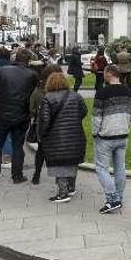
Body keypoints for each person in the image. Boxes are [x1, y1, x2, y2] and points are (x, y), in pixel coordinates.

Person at [0, 48, 38, 184]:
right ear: (28, 61)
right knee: (17, 146)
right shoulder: (32, 75)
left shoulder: (1, 71)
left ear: (15, 58)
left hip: (1, 115)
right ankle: (17, 175)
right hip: (21, 116)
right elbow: (34, 97)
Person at [92, 65, 131, 214]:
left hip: (105, 137)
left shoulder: (102, 93)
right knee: (120, 167)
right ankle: (119, 197)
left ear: (110, 74)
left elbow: (96, 117)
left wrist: (95, 133)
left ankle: (113, 199)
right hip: (123, 136)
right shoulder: (129, 93)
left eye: (105, 72)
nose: (103, 74)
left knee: (101, 168)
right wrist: (125, 126)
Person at [37, 72, 87, 202]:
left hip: (55, 138)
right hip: (75, 135)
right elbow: (83, 111)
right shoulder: (76, 96)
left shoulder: (47, 98)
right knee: (71, 161)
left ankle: (62, 193)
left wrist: (41, 134)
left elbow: (45, 120)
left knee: (58, 164)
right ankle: (71, 187)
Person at [29, 64, 65, 184]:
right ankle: (58, 178)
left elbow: (32, 108)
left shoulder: (39, 89)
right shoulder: (65, 92)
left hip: (43, 125)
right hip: (60, 125)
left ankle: (37, 174)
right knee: (59, 152)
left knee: (41, 151)